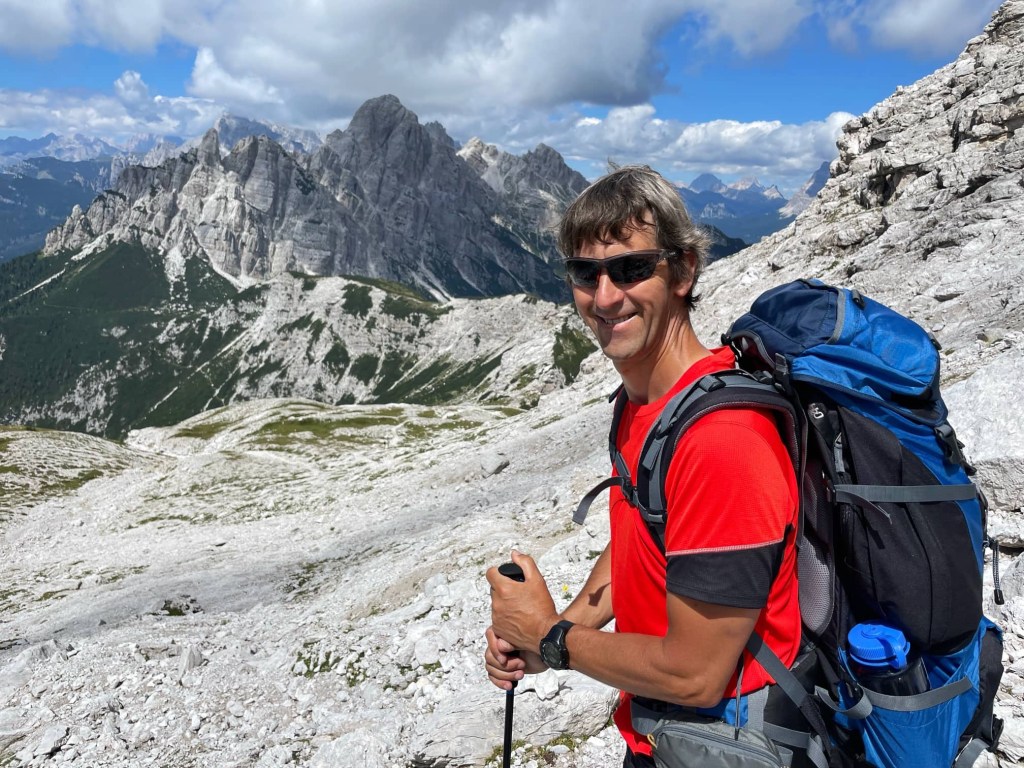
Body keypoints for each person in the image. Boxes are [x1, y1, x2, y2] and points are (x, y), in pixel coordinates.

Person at [484, 165, 801, 767]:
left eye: (632, 269)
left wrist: (552, 639)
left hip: (732, 746)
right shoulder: (645, 406)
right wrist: (544, 631)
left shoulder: (722, 440)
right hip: (669, 738)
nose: (605, 297)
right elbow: (652, 535)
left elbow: (695, 675)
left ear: (684, 270)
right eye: (586, 273)